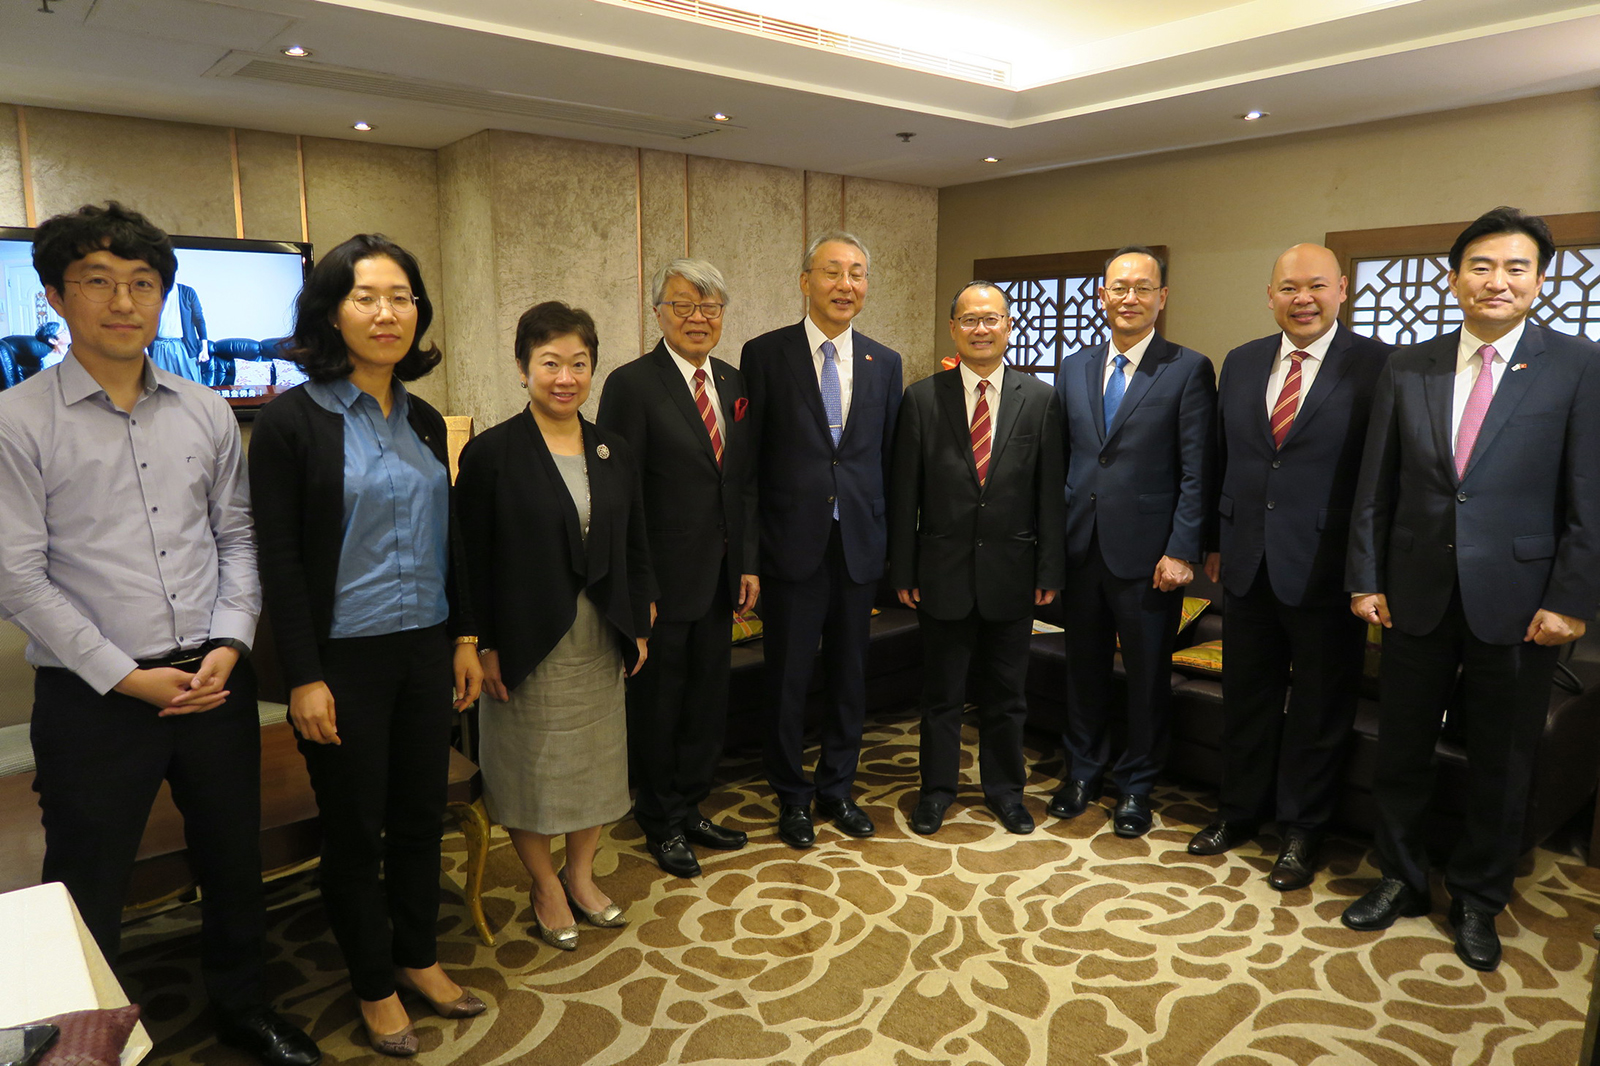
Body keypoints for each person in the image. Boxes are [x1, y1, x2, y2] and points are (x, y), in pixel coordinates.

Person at [0, 202, 319, 1066]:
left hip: (213, 683)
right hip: (96, 698)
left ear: (163, 296)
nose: (123, 301)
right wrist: (123, 675)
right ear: (56, 296)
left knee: (233, 859)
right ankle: (79, 1041)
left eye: (142, 283)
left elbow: (237, 537)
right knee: (87, 879)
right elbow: (18, 576)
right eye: (97, 281)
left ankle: (244, 1007)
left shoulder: (207, 410)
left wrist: (231, 643)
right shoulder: (17, 421)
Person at [1342, 207, 1600, 971]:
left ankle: (1480, 897)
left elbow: (1589, 495)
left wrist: (1571, 599)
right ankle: (1398, 877)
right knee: (1402, 749)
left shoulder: (1577, 364)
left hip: (1522, 603)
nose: (1497, 281)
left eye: (1516, 268)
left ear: (1541, 281)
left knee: (1501, 760)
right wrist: (1365, 577)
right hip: (1414, 592)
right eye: (1481, 266)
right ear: (1453, 279)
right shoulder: (1409, 365)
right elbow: (1376, 485)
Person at [249, 234, 486, 1056]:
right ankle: (373, 983)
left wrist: (463, 635)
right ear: (331, 312)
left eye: (401, 297)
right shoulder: (291, 423)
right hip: (342, 659)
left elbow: (449, 534)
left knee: (420, 816)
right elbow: (279, 560)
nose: (387, 313)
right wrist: (304, 677)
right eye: (366, 297)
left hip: (424, 649)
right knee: (355, 829)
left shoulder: (422, 417)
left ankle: (417, 956)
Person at [1188, 244, 1392, 888]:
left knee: (1319, 707)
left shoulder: (1380, 365)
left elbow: (1381, 474)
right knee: (1246, 698)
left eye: (1316, 286)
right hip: (1246, 559)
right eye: (1288, 287)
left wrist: (1369, 568)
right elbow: (1223, 457)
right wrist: (1215, 538)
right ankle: (1238, 811)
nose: (1302, 299)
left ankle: (1302, 830)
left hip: (1327, 567)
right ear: (1270, 295)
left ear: (1341, 290)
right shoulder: (1243, 361)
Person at [456, 301, 656, 950]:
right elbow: (468, 558)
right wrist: (481, 642)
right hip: (524, 637)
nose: (565, 377)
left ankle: (581, 875)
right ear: (523, 369)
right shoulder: (492, 454)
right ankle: (544, 884)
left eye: (578, 363)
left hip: (599, 634)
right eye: (550, 363)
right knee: (530, 768)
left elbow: (635, 540)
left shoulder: (612, 448)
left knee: (595, 764)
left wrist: (639, 617)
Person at [596, 259, 757, 877]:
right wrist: (638, 584)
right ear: (658, 313)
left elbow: (740, 482)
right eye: (683, 305)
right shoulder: (632, 384)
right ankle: (658, 818)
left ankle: (690, 806)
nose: (697, 318)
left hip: (720, 577)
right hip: (661, 582)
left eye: (709, 307)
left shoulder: (734, 381)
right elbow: (620, 494)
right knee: (659, 705)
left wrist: (746, 562)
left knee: (706, 702)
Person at [741, 231, 903, 848]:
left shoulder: (884, 362)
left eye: (856, 273)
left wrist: (894, 553)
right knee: (786, 677)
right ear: (806, 281)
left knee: (849, 675)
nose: (845, 285)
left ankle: (838, 788)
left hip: (858, 545)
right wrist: (750, 555)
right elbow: (749, 465)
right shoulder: (765, 354)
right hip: (791, 544)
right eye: (832, 272)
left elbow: (888, 462)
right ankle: (792, 796)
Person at [889, 281, 1064, 836]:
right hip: (941, 574)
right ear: (953, 329)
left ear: (1008, 326)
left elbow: (1049, 493)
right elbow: (904, 494)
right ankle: (936, 792)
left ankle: (1006, 792)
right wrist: (903, 568)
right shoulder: (921, 398)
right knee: (941, 696)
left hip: (1013, 574)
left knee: (1007, 697)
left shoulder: (1041, 398)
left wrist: (1049, 568)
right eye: (969, 320)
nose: (981, 329)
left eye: (991, 319)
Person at [1052, 246, 1215, 838]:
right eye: (1119, 287)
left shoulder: (1187, 368)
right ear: (1103, 295)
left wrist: (1182, 550)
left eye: (1142, 288)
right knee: (1083, 669)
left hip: (1150, 557)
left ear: (1161, 297)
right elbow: (1065, 458)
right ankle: (1082, 771)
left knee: (1146, 678)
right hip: (1080, 546)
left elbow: (1197, 469)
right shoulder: (1073, 366)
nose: (1129, 298)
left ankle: (1136, 786)